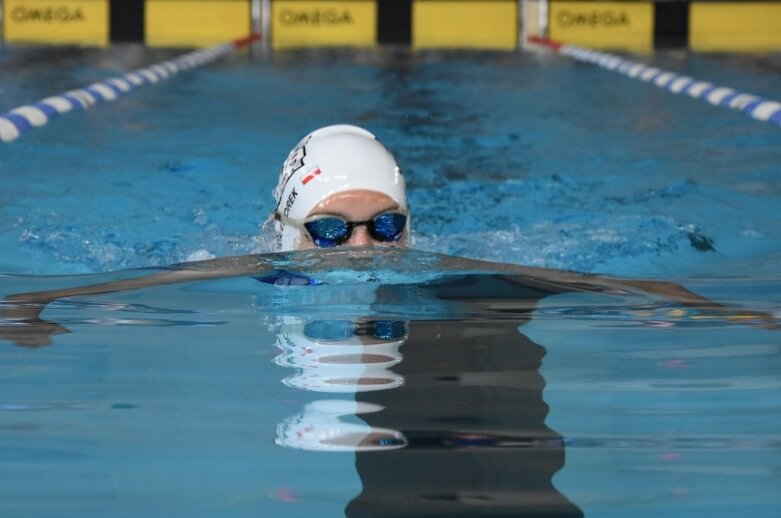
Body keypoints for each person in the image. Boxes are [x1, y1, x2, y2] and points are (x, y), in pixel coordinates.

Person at [0, 123, 776, 348]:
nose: (365, 248)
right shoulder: (244, 262)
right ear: (289, 229)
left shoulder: (435, 260)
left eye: (387, 224)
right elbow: (109, 287)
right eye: (332, 230)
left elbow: (609, 285)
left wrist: (723, 310)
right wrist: (29, 310)